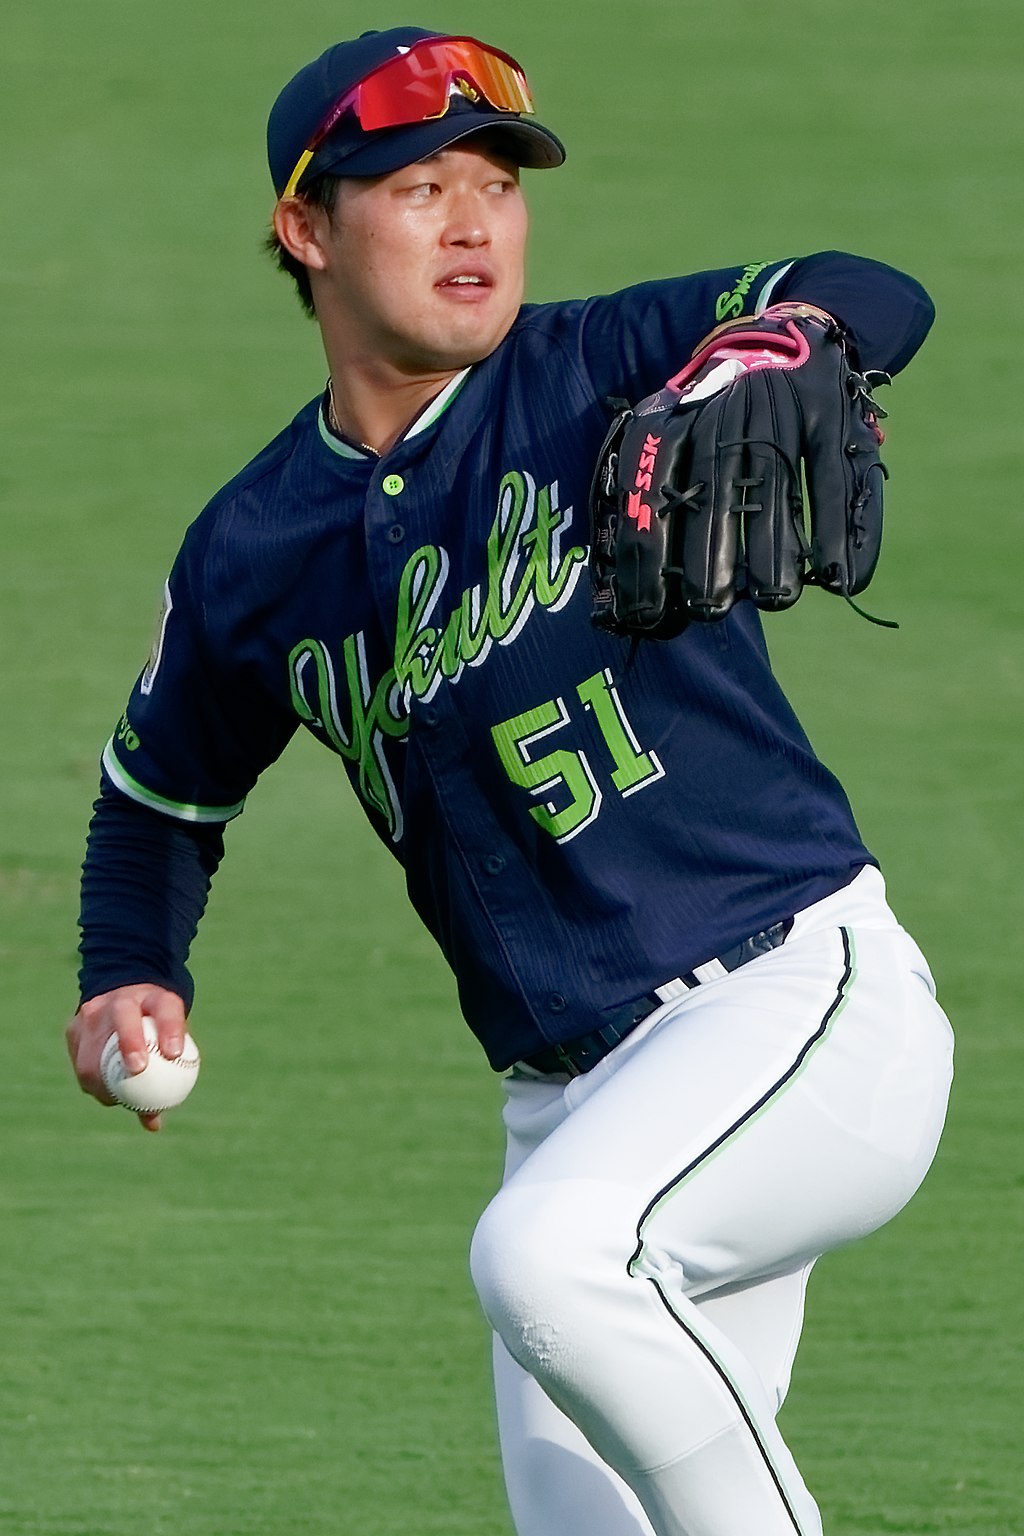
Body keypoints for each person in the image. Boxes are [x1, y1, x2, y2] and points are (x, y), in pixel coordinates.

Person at [66, 26, 954, 1536]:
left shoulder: (599, 368)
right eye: (417, 185)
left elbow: (868, 287)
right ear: (306, 229)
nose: (476, 220)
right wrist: (129, 970)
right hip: (576, 1102)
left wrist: (785, 340)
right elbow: (160, 801)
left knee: (547, 1259)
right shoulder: (252, 548)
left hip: (797, 1012)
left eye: (498, 181)